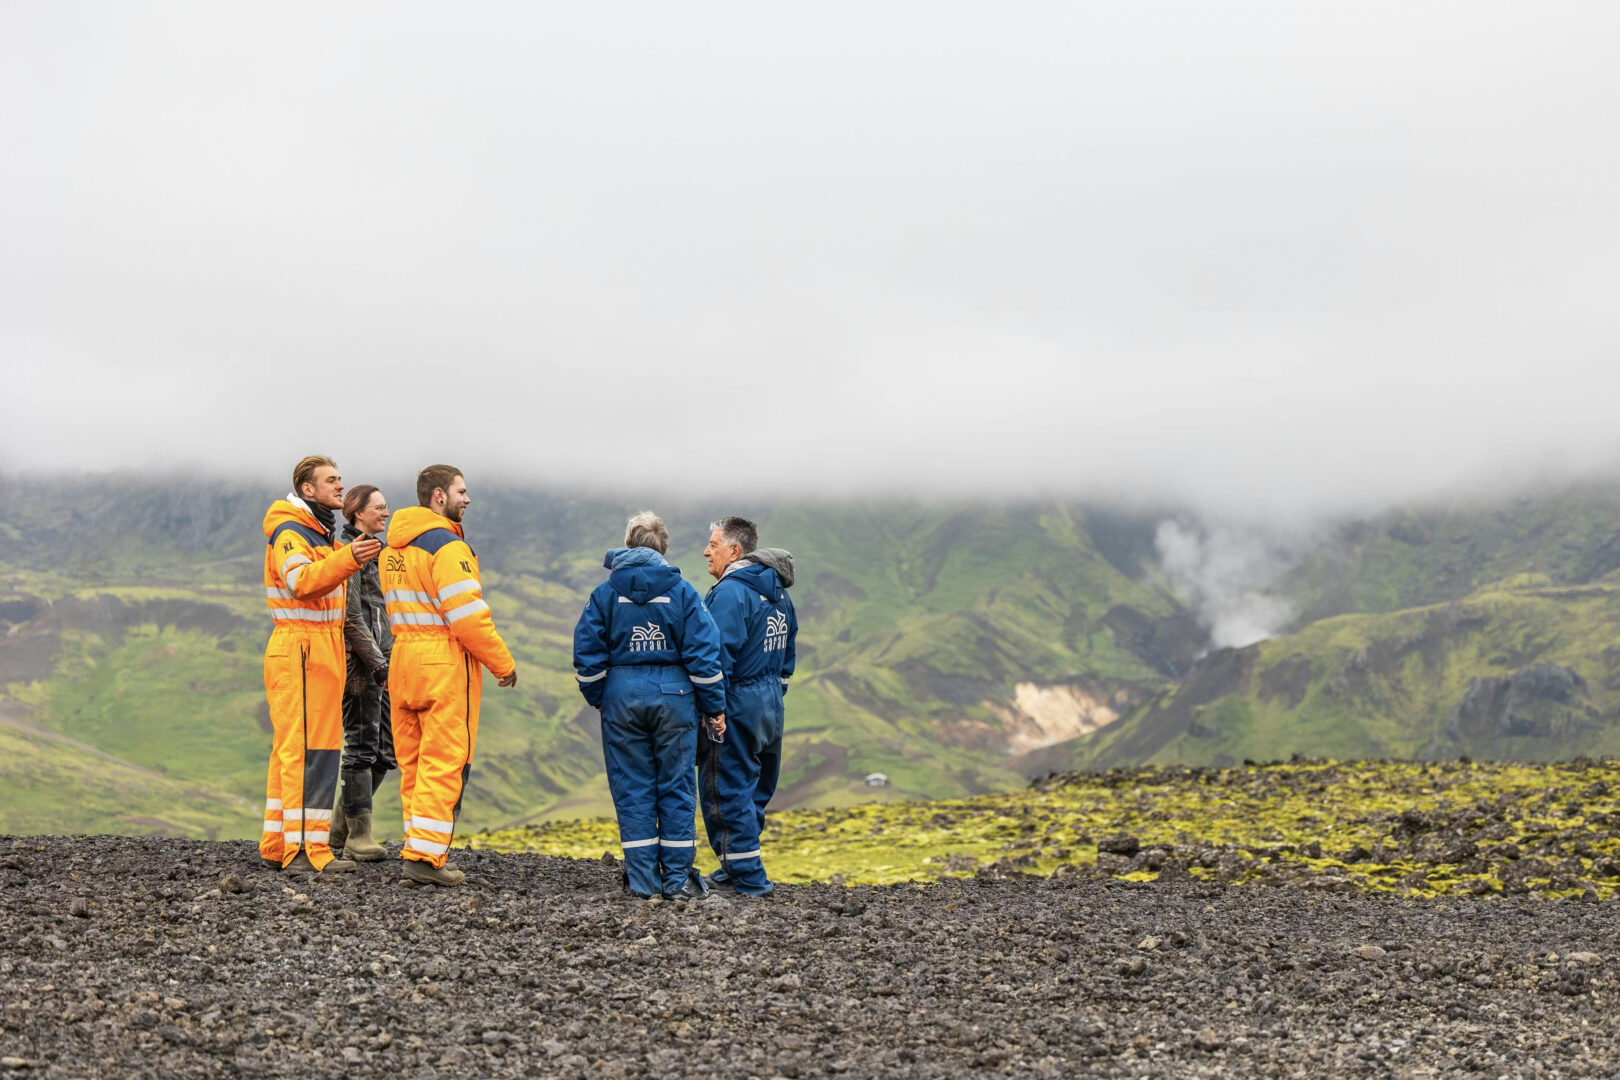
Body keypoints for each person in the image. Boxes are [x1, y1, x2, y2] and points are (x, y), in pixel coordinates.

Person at [572, 512, 726, 900]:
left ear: (628, 545)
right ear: (664, 548)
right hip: (675, 702)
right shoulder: (684, 593)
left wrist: (605, 697)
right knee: (676, 786)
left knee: (632, 789)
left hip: (621, 702)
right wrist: (713, 708)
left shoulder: (604, 595)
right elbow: (704, 656)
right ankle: (676, 881)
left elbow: (587, 657)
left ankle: (643, 882)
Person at [381, 465, 517, 887]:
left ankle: (416, 846)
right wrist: (502, 663)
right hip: (442, 662)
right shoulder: (448, 547)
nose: (467, 499)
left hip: (403, 659)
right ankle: (425, 857)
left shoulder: (392, 549)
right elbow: (467, 618)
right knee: (443, 761)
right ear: (439, 496)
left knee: (413, 763)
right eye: (461, 491)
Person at [259, 455, 381, 873]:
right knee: (307, 751)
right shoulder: (291, 532)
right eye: (331, 480)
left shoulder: (318, 532)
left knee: (312, 749)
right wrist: (350, 559)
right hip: (302, 650)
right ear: (307, 489)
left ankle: (281, 844)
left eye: (340, 479)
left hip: (318, 650)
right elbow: (301, 582)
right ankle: (304, 852)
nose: (340, 486)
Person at [699, 516, 797, 896]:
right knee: (755, 792)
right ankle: (734, 868)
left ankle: (751, 881)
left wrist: (713, 708)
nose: (706, 552)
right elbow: (787, 656)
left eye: (714, 545)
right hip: (769, 706)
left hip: (737, 705)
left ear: (735, 550)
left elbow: (715, 656)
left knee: (725, 791)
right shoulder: (779, 594)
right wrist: (771, 697)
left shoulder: (730, 594)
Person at [326, 483, 395, 861]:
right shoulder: (347, 553)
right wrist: (378, 663)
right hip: (360, 666)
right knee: (362, 746)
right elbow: (351, 618)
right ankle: (358, 835)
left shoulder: (378, 553)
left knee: (386, 752)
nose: (386, 512)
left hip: (383, 662)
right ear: (358, 513)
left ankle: (337, 830)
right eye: (379, 507)